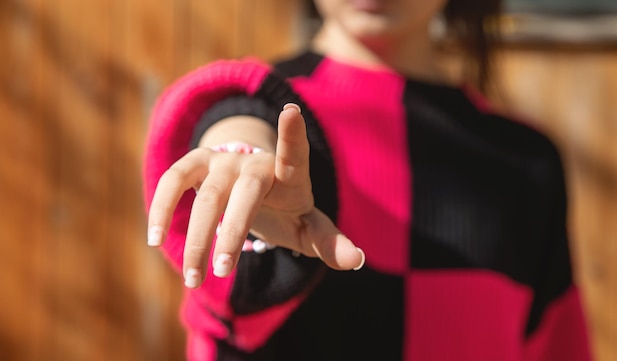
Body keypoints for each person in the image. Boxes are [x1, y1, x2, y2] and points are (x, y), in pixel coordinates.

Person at [143, 0, 593, 360]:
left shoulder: (525, 164)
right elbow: (240, 121)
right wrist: (238, 156)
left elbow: (556, 344)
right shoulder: (270, 114)